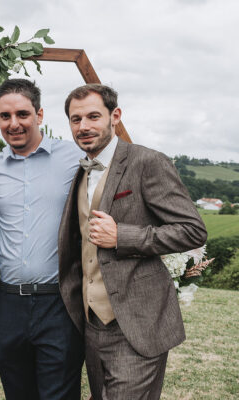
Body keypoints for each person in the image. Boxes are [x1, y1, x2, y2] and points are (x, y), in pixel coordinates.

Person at [58, 84, 208, 399]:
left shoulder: (147, 162)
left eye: (93, 116)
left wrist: (122, 236)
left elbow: (192, 230)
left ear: (115, 116)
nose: (83, 127)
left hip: (136, 323)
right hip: (92, 324)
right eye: (76, 119)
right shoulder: (81, 172)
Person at [0, 78, 85, 399]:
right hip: (8, 303)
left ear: (39, 115)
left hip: (58, 303)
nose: (13, 124)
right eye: (5, 116)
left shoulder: (73, 157)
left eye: (22, 114)